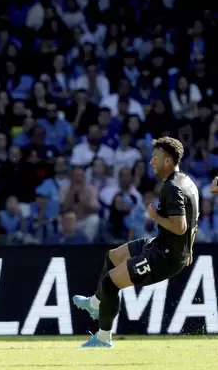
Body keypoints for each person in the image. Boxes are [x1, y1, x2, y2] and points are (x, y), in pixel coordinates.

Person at [72, 137, 199, 348]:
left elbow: (181, 226)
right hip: (163, 245)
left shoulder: (172, 188)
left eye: (155, 157)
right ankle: (95, 304)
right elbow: (194, 217)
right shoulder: (187, 182)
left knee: (110, 282)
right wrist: (189, 247)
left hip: (165, 256)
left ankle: (103, 339)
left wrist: (154, 216)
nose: (151, 161)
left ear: (167, 161)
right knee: (112, 256)